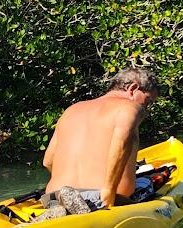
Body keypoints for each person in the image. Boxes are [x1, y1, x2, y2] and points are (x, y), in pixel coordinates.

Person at [37, 67, 160, 219]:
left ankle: (61, 207)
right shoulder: (130, 108)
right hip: (101, 197)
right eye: (147, 101)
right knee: (147, 183)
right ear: (133, 88)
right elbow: (122, 142)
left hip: (53, 194)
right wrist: (108, 191)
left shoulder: (72, 110)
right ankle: (88, 203)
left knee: (65, 197)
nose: (147, 108)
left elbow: (48, 161)